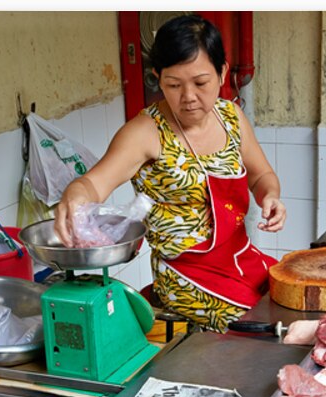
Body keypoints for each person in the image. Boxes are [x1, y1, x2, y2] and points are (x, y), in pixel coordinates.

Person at [54, 14, 285, 334]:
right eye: (174, 85)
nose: (188, 97)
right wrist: (74, 196)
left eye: (201, 83)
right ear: (157, 78)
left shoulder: (231, 117)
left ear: (222, 72)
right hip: (187, 278)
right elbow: (93, 183)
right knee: (262, 329)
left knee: (292, 299)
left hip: (239, 258)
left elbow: (261, 176)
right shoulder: (145, 132)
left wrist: (270, 196)